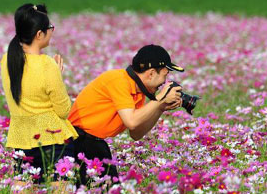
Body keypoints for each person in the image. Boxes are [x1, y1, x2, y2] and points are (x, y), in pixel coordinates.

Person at [68, 44, 183, 186]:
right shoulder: (119, 81)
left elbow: (136, 133)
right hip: (78, 142)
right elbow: (132, 121)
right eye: (165, 75)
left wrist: (160, 108)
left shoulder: (138, 91)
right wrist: (160, 99)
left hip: (95, 143)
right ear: (151, 73)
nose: (164, 83)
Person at [1, 3, 78, 194]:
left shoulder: (7, 60)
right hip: (53, 138)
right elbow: (63, 111)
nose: (52, 32)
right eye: (50, 28)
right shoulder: (47, 65)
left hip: (21, 137)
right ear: (39, 35)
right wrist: (57, 76)